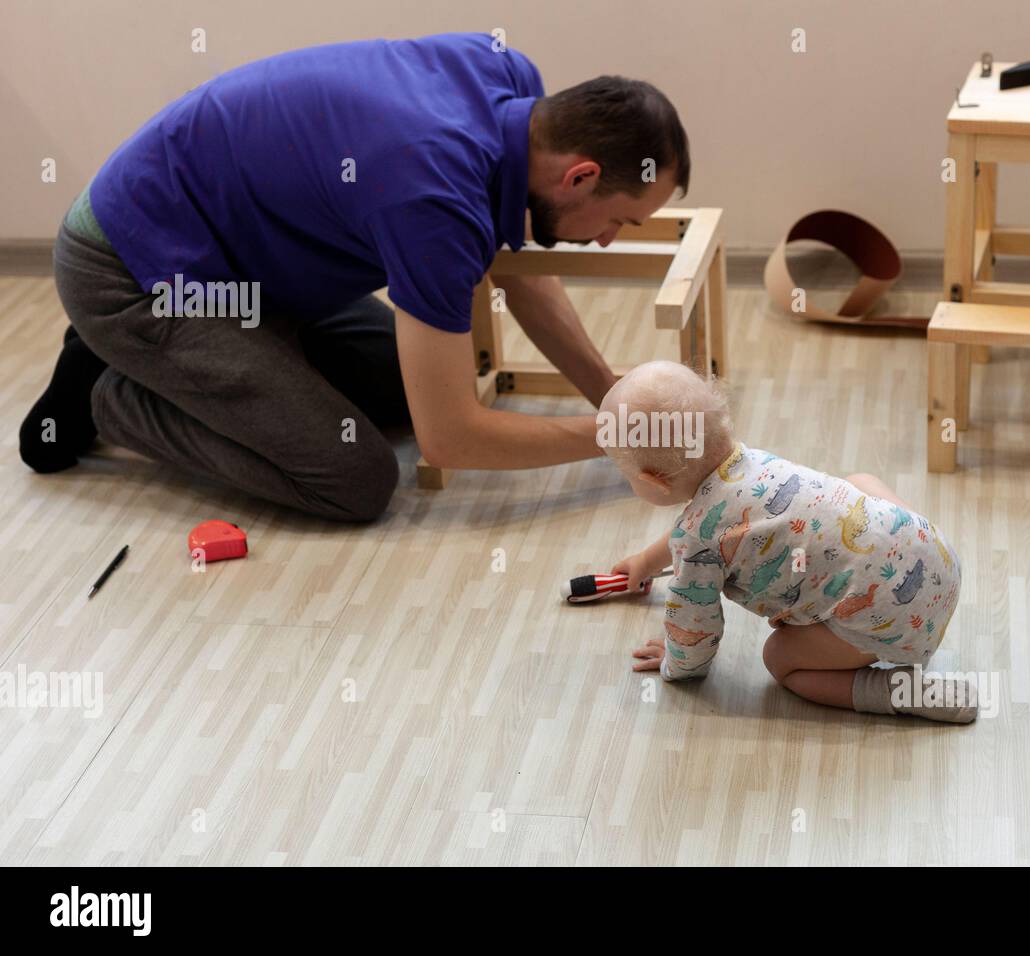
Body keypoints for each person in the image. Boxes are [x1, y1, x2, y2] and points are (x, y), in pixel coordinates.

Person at [19, 33, 689, 520]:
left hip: (247, 268)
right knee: (354, 477)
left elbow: (517, 275)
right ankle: (110, 391)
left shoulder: (509, 77)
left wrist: (610, 393)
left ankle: (196, 363)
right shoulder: (432, 197)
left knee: (404, 390)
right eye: (619, 220)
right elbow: (451, 438)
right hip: (136, 272)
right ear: (580, 175)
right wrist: (616, 436)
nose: (606, 237)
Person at [602, 361, 978, 723]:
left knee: (780, 660)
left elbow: (695, 631)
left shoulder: (698, 540)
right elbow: (708, 520)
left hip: (896, 623)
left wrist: (675, 662)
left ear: (654, 481)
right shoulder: (750, 464)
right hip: (940, 559)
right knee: (859, 480)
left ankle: (904, 693)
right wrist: (647, 562)